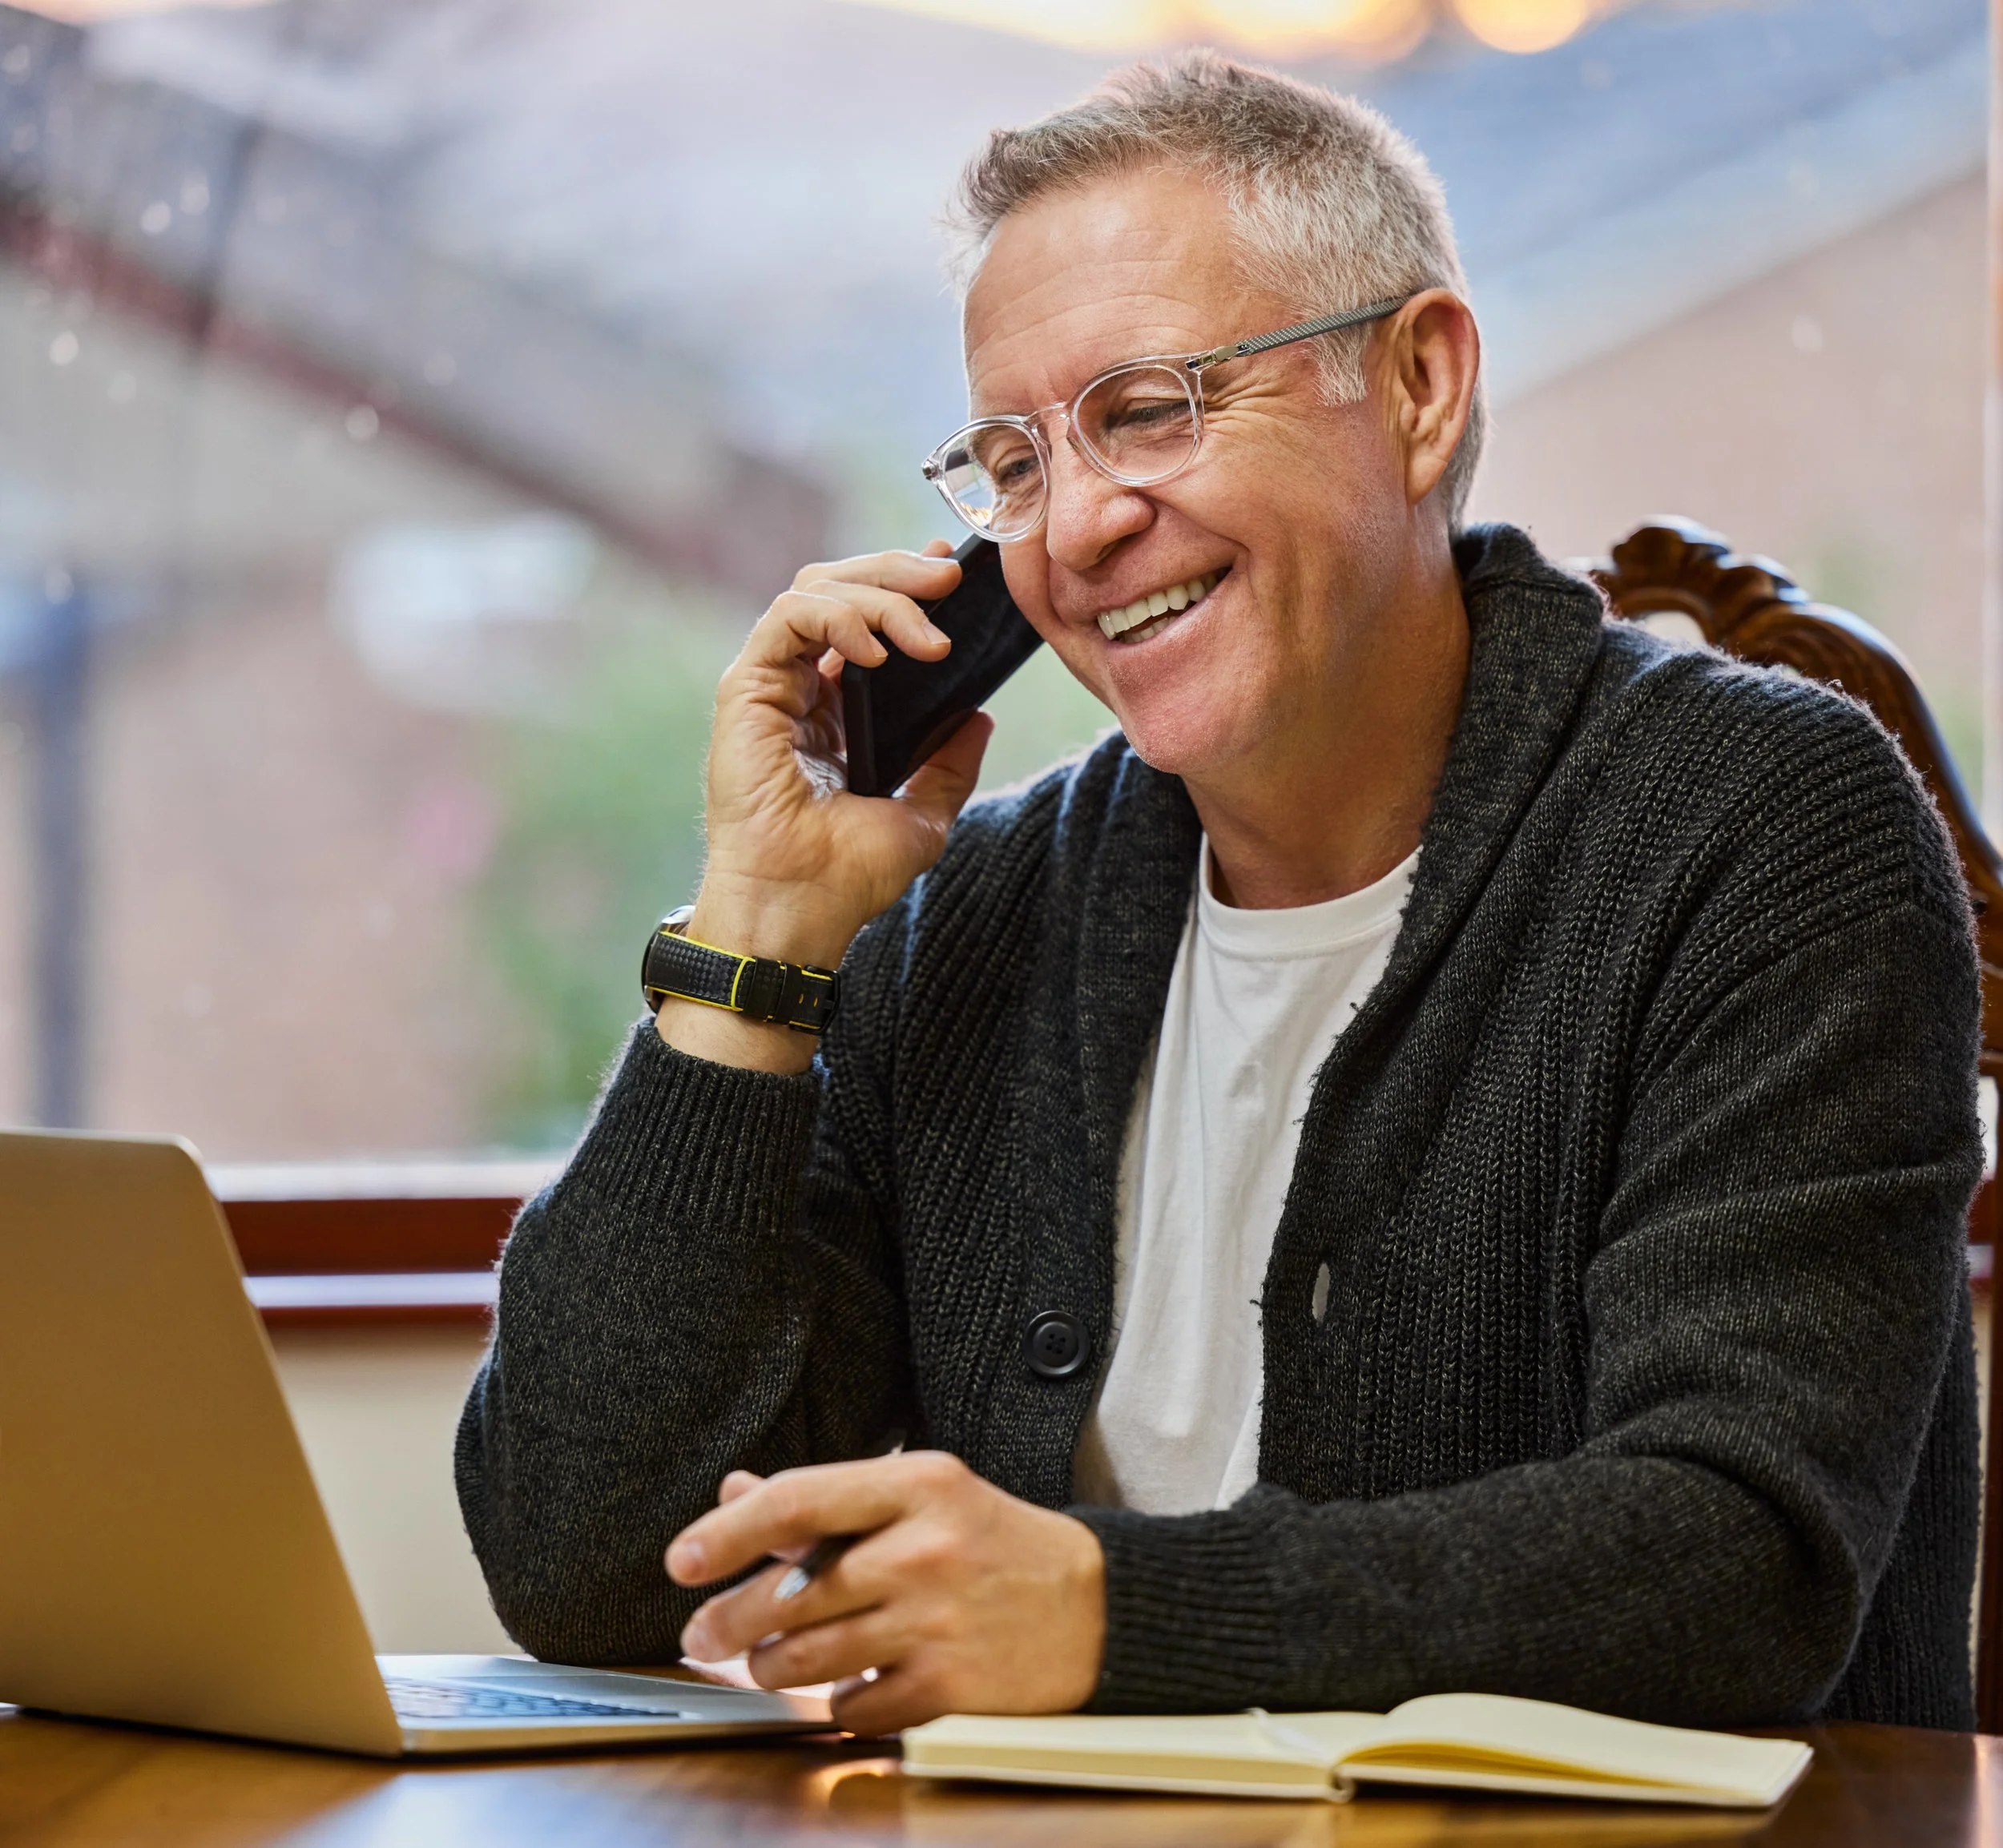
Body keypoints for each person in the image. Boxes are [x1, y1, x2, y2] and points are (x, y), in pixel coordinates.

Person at [456, 52, 1981, 1737]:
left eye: (1145, 407)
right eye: (1010, 463)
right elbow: (588, 1565)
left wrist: (1114, 1615)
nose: (1078, 527)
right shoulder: (974, 917)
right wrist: (757, 934)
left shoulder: (1761, 824)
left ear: (1415, 382)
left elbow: (1735, 1558)